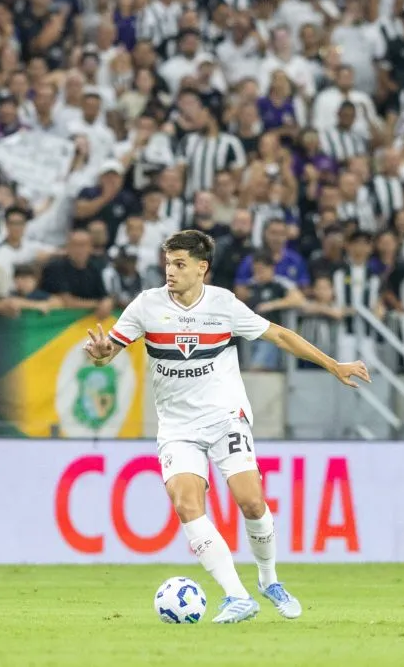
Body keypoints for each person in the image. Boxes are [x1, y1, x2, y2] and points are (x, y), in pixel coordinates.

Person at [82, 230, 370, 624]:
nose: (170, 271)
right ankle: (237, 596)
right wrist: (99, 358)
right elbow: (106, 355)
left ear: (202, 268)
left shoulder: (224, 305)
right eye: (168, 263)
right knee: (186, 505)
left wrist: (334, 365)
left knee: (250, 501)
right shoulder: (146, 305)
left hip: (224, 417)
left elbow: (280, 335)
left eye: (180, 264)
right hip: (177, 426)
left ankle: (269, 581)